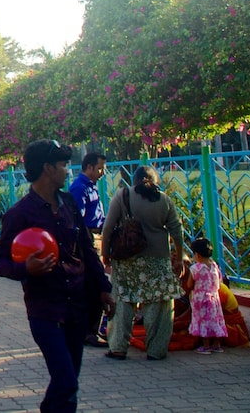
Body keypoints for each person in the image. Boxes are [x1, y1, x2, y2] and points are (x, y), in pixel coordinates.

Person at [0, 140, 114, 413]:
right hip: (45, 310)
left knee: (70, 384)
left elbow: (86, 248)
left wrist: (104, 288)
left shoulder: (69, 202)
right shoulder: (20, 214)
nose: (67, 171)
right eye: (62, 165)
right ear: (48, 169)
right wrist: (26, 269)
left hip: (77, 306)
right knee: (65, 379)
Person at [100, 165, 185, 361]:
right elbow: (177, 231)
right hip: (158, 260)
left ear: (135, 179)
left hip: (127, 259)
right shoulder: (164, 200)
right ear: (154, 181)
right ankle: (156, 350)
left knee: (123, 301)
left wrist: (105, 254)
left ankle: (118, 348)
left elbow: (108, 227)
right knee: (159, 305)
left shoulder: (122, 195)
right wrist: (179, 258)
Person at [69, 151, 109, 348]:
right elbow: (77, 218)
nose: (102, 172)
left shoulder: (91, 186)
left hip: (96, 236)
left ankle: (91, 329)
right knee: (94, 284)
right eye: (100, 168)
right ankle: (89, 331)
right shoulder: (79, 188)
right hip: (87, 239)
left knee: (94, 283)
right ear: (89, 167)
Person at [185, 237, 227, 354]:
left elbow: (189, 284)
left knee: (203, 321)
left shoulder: (195, 268)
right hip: (214, 297)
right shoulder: (214, 266)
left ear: (197, 255)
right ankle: (217, 344)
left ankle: (206, 345)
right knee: (215, 320)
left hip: (200, 299)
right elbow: (219, 281)